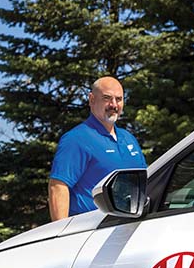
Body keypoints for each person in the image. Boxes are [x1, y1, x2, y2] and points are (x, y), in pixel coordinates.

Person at [48, 76, 147, 220]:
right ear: (92, 99)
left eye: (118, 99)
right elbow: (58, 186)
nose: (114, 105)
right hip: (90, 231)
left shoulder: (128, 138)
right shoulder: (76, 139)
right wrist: (60, 234)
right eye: (107, 98)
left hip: (128, 228)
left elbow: (144, 181)